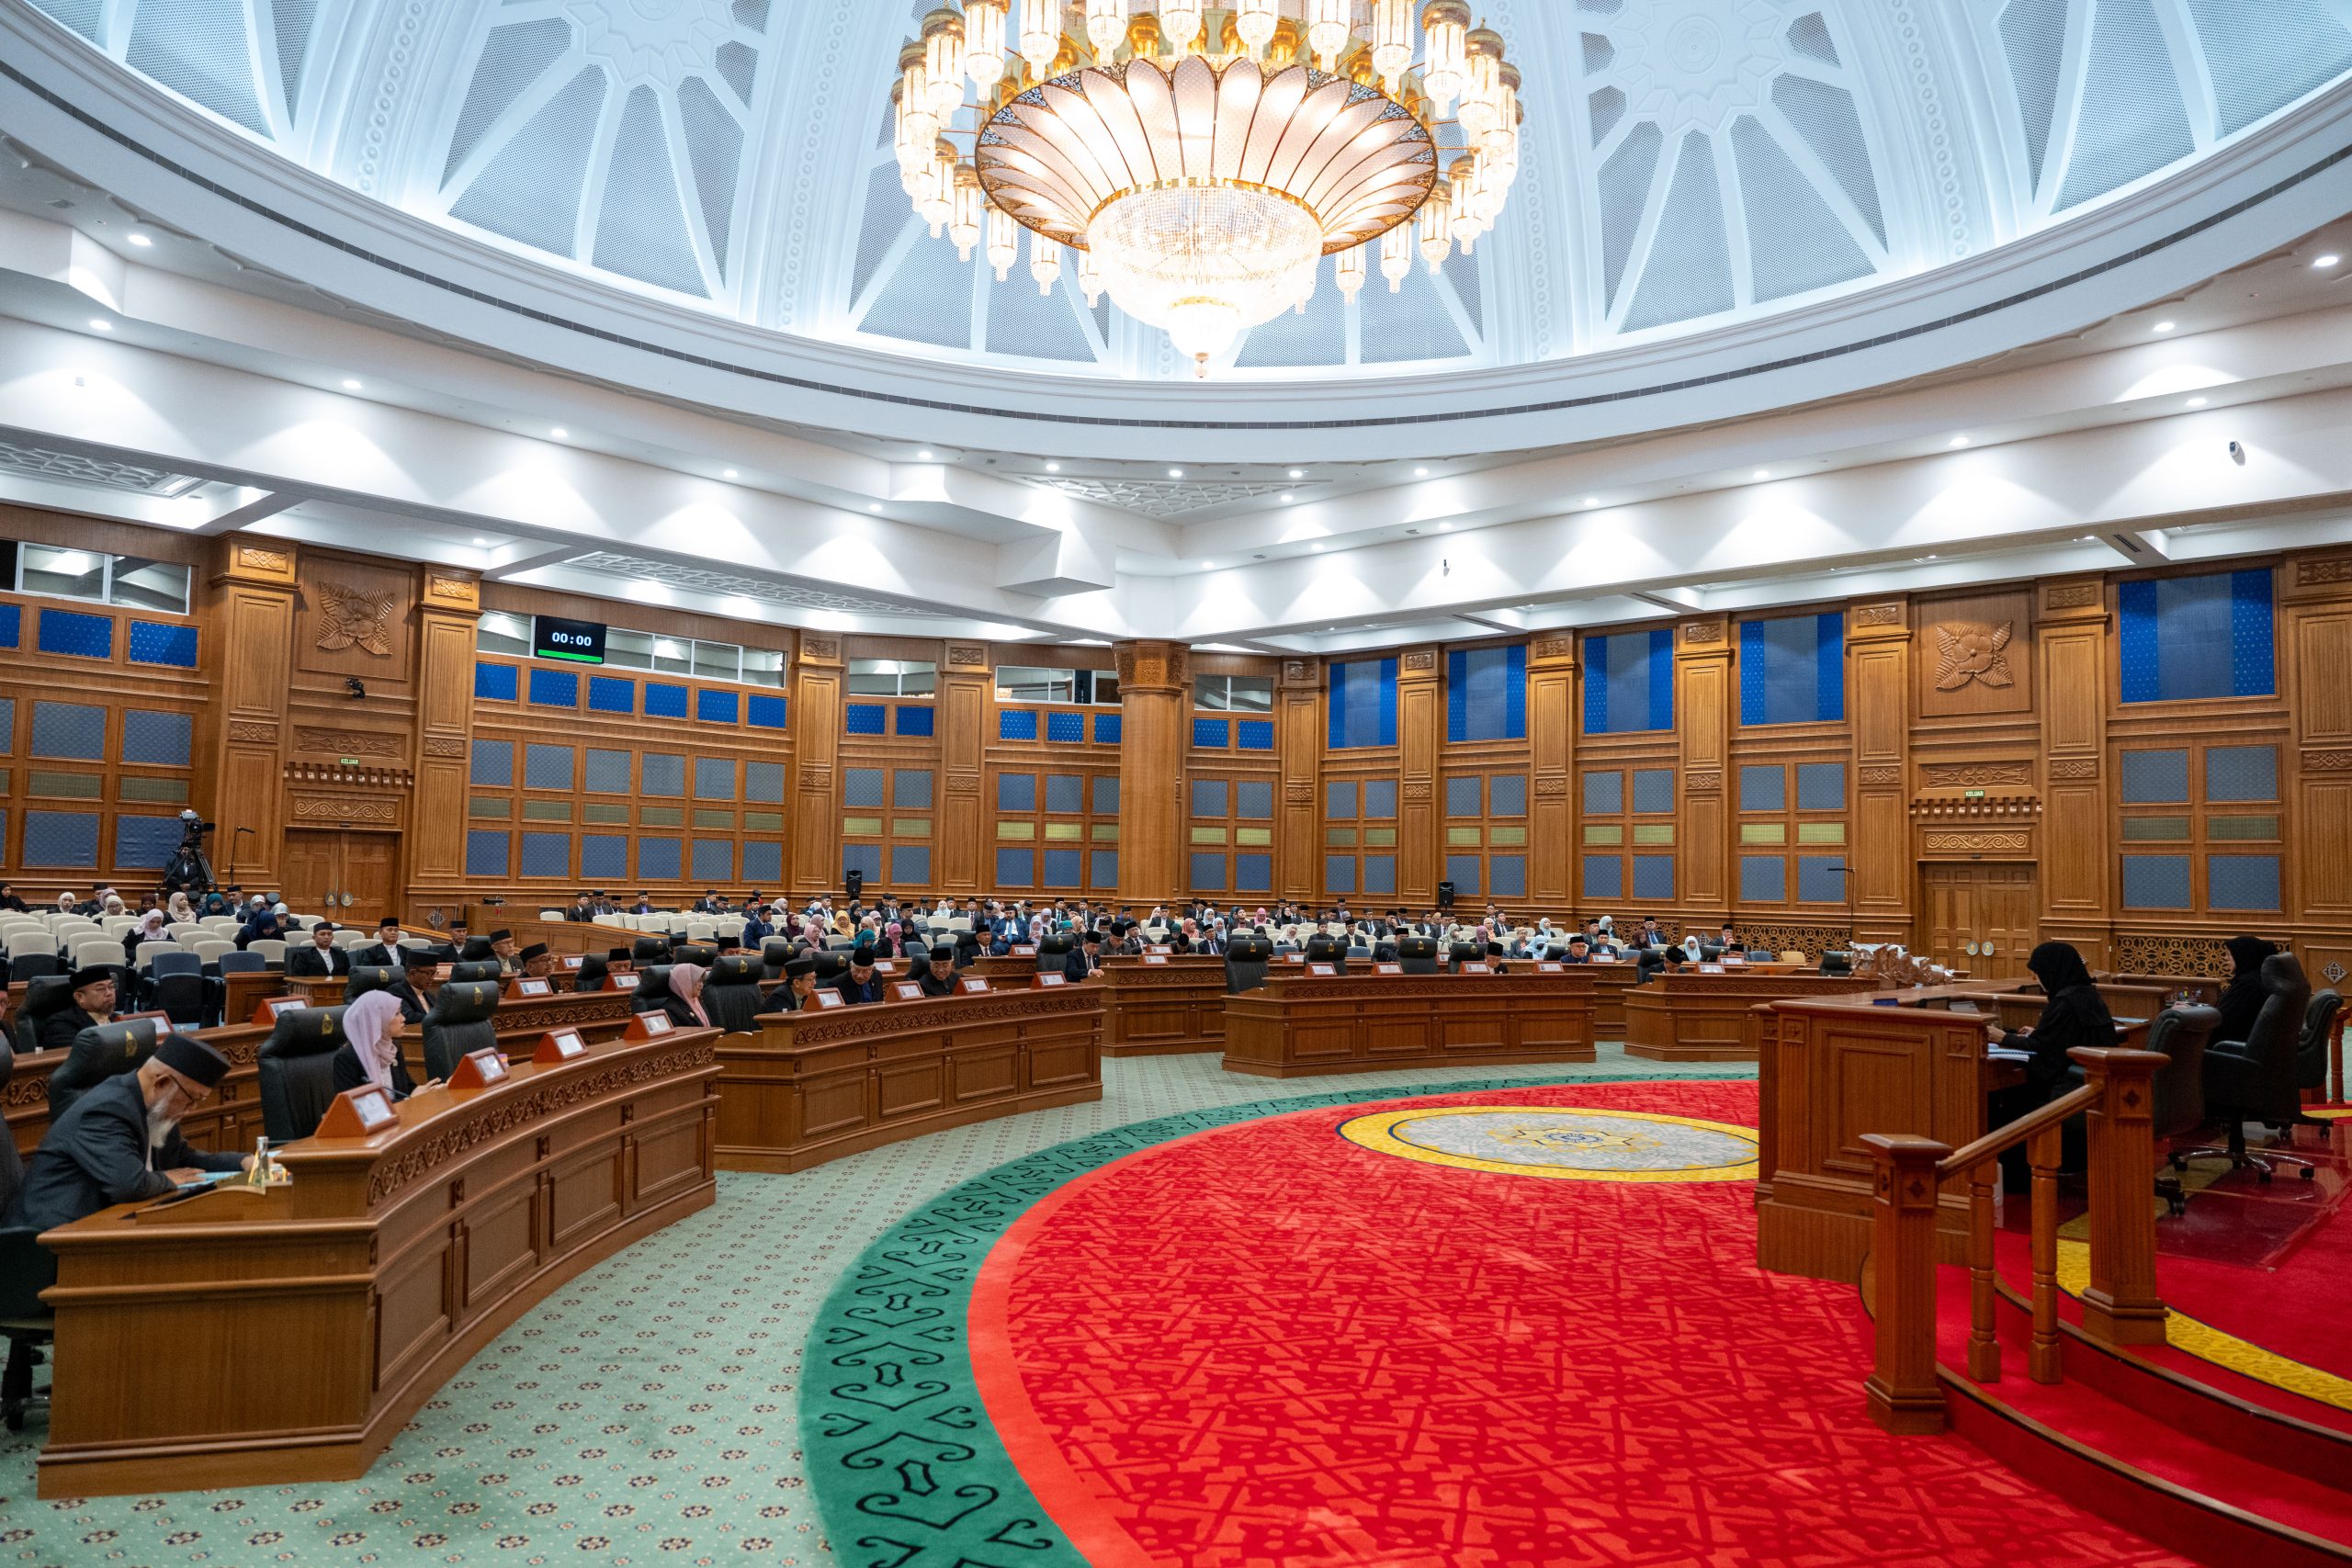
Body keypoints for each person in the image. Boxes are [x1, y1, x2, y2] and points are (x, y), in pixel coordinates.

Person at [1, 1033, 250, 1231]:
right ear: (161, 1082)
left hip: (102, 1223)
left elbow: (182, 1159)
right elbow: (128, 1185)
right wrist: (169, 1179)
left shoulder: (156, 1108)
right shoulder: (106, 1109)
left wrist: (243, 1162)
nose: (191, 1109)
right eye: (191, 1099)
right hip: (50, 1235)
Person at [332, 988, 424, 1104]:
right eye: (396, 1014)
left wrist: (428, 1091)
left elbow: (408, 1088)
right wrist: (406, 1100)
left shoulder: (393, 1048)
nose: (403, 1018)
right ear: (377, 1020)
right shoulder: (347, 1058)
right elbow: (355, 1106)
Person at [2215, 935, 2277, 1043]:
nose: (2225, 958)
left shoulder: (2247, 985)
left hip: (2229, 1046)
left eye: (2229, 954)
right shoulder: (2260, 978)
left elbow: (2222, 1020)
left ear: (2242, 956)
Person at [44, 966, 118, 1054]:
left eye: (111, 987)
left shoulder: (118, 1019)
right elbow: (80, 1056)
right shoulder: (61, 1024)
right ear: (80, 997)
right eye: (100, 989)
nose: (109, 993)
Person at [656, 962, 713, 1028]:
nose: (701, 985)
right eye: (698, 981)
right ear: (684, 982)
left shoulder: (697, 1001)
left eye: (701, 981)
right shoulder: (670, 1010)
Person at [390, 953, 441, 1023]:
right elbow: (408, 1017)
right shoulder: (395, 992)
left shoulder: (429, 995)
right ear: (413, 973)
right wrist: (440, 1018)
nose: (432, 978)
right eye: (428, 973)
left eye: (434, 973)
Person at [287, 922, 351, 978]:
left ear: (333, 937)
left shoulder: (341, 954)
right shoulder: (304, 956)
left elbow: (348, 976)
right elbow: (297, 978)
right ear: (314, 938)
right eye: (322, 934)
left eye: (329, 934)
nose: (326, 937)